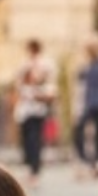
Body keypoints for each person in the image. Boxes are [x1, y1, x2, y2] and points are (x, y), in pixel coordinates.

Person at [11, 37, 58, 182]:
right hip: (25, 110)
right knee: (27, 139)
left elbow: (50, 88)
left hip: (37, 109)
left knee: (35, 139)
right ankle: (31, 167)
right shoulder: (25, 64)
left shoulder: (45, 64)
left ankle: (35, 169)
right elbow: (18, 83)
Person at [72, 35, 98, 175]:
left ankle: (96, 161)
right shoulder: (85, 65)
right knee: (79, 130)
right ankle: (86, 159)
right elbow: (79, 85)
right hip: (88, 103)